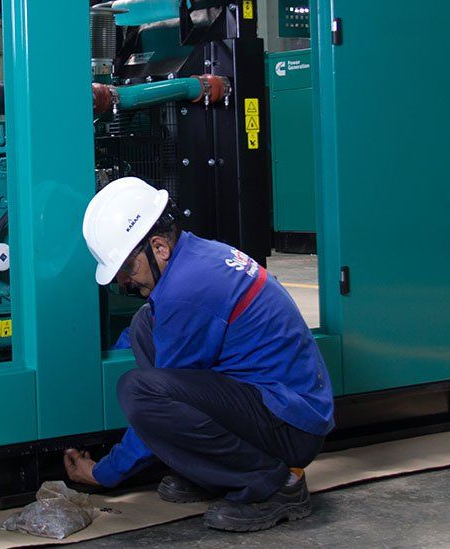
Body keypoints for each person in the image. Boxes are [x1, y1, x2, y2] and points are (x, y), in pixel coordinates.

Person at [63, 177, 334, 533]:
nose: (125, 282)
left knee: (139, 391)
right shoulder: (194, 255)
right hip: (277, 401)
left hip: (292, 424)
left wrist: (103, 473)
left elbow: (160, 398)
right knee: (146, 323)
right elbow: (160, 347)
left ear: (158, 247)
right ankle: (208, 471)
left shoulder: (186, 291)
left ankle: (274, 485)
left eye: (128, 267)